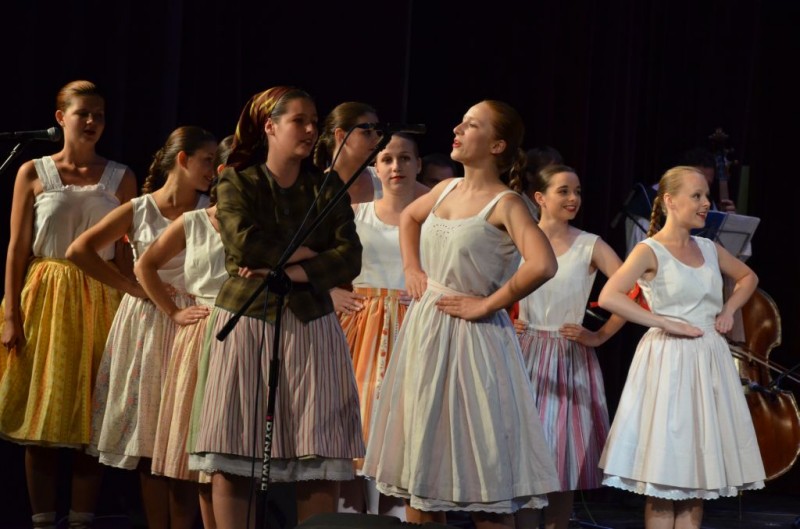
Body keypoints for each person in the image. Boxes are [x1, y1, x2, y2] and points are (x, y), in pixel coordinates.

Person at [362, 100, 560, 529]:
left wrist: (488, 304)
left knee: (481, 474)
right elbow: (409, 218)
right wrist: (413, 269)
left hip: (475, 340)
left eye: (471, 125)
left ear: (497, 145)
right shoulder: (446, 189)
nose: (457, 129)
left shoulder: (507, 203)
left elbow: (543, 264)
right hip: (427, 333)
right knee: (422, 465)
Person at [188, 86, 363, 529]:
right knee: (236, 446)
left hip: (311, 323)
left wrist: (286, 270)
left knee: (318, 449)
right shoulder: (237, 181)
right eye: (299, 120)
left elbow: (350, 259)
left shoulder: (326, 187)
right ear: (270, 126)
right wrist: (312, 254)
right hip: (249, 321)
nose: (310, 129)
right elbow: (243, 247)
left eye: (314, 121)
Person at [0, 80, 137, 529]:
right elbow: (17, 248)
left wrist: (135, 300)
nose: (93, 121)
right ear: (61, 118)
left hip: (101, 294)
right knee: (42, 415)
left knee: (91, 419)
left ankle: (81, 521)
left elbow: (127, 251)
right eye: (84, 113)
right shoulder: (33, 171)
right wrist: (11, 313)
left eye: (100, 114)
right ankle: (42, 521)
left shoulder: (120, 176)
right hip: (47, 294)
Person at [597, 166, 765, 529]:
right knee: (664, 479)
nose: (706, 204)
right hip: (668, 362)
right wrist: (663, 321)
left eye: (706, 196)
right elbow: (610, 296)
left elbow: (748, 277)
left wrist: (728, 310)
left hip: (708, 361)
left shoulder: (709, 247)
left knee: (697, 483)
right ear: (670, 201)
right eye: (697, 196)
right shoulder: (649, 250)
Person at [67, 125, 216, 529]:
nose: (213, 169)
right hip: (149, 324)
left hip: (193, 321)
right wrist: (132, 288)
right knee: (149, 439)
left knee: (183, 439)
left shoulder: (211, 208)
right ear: (183, 159)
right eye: (207, 160)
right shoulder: (141, 209)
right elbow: (79, 250)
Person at [512, 164, 625, 529]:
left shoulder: (589, 244)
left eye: (577, 191)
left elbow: (633, 290)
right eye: (563, 191)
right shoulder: (518, 239)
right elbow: (490, 284)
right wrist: (506, 318)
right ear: (540, 198)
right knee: (524, 456)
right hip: (524, 352)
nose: (573, 198)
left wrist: (599, 335)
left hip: (567, 356)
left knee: (562, 456)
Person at [135, 135, 234, 529]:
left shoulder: (263, 227)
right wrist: (173, 312)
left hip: (244, 335)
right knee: (191, 452)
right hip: (201, 334)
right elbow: (145, 265)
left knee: (226, 453)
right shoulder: (194, 222)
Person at [336, 133, 424, 517]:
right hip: (361, 326)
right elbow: (318, 262)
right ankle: (350, 519)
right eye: (387, 159)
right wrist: (330, 293)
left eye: (405, 158)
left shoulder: (430, 220)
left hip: (411, 327)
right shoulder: (357, 215)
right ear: (375, 167)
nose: (396, 167)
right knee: (355, 429)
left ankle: (395, 517)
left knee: (401, 435)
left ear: (418, 165)